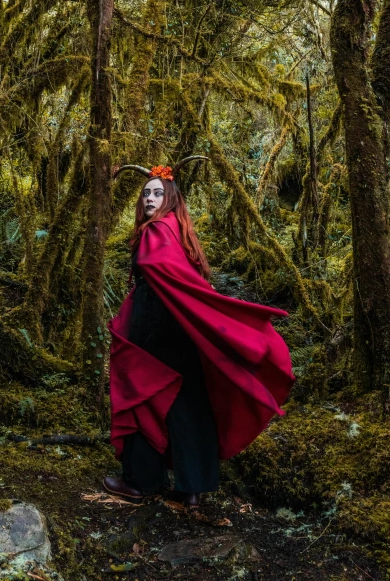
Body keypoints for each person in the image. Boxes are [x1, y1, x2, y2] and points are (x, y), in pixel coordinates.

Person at [103, 159, 294, 508]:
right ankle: (190, 488)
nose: (149, 199)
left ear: (171, 198)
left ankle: (140, 481)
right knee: (186, 401)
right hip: (182, 327)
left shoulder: (157, 229)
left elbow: (152, 265)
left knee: (143, 392)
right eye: (145, 194)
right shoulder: (181, 232)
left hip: (156, 328)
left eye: (158, 193)